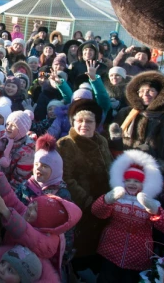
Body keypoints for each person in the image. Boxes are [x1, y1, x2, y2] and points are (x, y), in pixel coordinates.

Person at [92, 150, 164, 282]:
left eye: (136, 181)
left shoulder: (150, 203)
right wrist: (107, 200)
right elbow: (97, 212)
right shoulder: (116, 198)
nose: (131, 183)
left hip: (138, 256)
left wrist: (156, 212)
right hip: (110, 252)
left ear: (144, 184)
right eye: (128, 180)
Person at [56, 99, 113, 271]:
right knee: (82, 250)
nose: (84, 125)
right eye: (80, 121)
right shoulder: (66, 144)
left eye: (89, 121)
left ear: (96, 124)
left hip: (105, 204)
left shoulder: (101, 141)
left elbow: (109, 167)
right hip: (81, 208)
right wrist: (88, 202)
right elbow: (66, 178)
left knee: (99, 247)